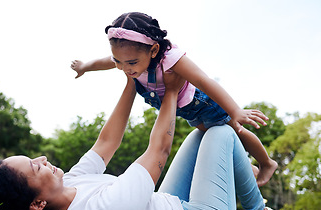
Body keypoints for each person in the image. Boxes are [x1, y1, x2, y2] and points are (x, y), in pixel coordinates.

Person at [0, 72, 291, 210]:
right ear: (37, 204)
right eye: (34, 167)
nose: (42, 159)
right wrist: (170, 91)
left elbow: (107, 142)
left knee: (202, 132)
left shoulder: (70, 181)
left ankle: (239, 195)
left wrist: (130, 82)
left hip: (168, 207)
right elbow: (157, 154)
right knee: (221, 130)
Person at [71, 12, 277, 187]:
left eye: (131, 62)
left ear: (153, 50)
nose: (125, 68)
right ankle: (248, 167)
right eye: (118, 61)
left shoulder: (170, 58)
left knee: (236, 130)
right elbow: (102, 62)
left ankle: (266, 162)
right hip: (184, 110)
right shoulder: (127, 59)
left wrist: (235, 110)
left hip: (202, 103)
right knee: (216, 138)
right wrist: (84, 67)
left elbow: (203, 80)